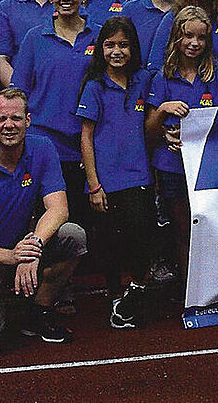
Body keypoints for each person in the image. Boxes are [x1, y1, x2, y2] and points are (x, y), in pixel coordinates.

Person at [0, 88, 87, 351]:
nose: (9, 126)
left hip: (24, 246)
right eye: (2, 119)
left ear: (28, 120)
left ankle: (39, 310)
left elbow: (59, 209)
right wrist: (9, 257)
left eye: (16, 118)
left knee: (74, 235)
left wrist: (33, 247)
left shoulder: (43, 148)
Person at [146, 6, 218, 283]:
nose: (194, 44)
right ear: (177, 37)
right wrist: (164, 111)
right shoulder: (163, 76)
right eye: (188, 36)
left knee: (214, 228)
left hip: (211, 166)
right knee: (183, 228)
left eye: (200, 38)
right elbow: (149, 130)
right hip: (173, 166)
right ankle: (191, 289)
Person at [76, 19, 156, 329]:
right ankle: (114, 295)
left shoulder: (143, 80)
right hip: (106, 182)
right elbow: (86, 136)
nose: (117, 51)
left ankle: (135, 291)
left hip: (139, 177)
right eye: (110, 45)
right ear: (100, 49)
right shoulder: (94, 86)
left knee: (141, 237)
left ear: (133, 48)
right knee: (110, 243)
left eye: (123, 45)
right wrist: (94, 185)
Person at [10, 0, 99, 228]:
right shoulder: (35, 38)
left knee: (85, 221)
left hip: (87, 141)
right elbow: (19, 92)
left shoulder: (100, 35)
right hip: (46, 143)